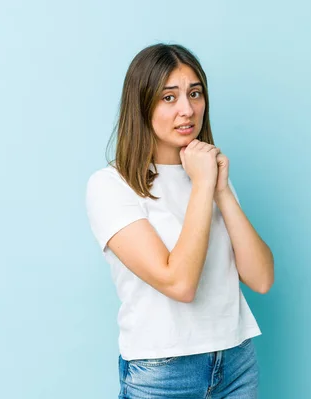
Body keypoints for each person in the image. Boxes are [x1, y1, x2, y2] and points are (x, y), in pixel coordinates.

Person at [85, 43, 275, 398]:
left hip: (236, 362)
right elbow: (180, 284)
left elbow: (262, 278)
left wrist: (220, 191)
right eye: (168, 98)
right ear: (142, 105)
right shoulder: (111, 186)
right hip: (163, 374)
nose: (187, 110)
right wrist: (204, 185)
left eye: (195, 93)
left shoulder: (209, 176)